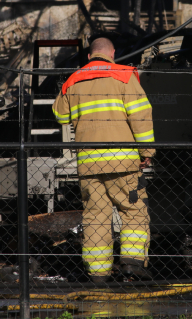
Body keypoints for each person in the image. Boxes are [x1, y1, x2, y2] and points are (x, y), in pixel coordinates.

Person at [53, 37, 155, 283]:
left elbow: (59, 114)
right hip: (122, 160)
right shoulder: (124, 75)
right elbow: (141, 115)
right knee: (133, 211)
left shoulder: (74, 79)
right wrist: (147, 152)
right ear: (113, 53)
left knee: (95, 215)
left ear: (89, 56)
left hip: (89, 163)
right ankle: (131, 264)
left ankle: (98, 273)